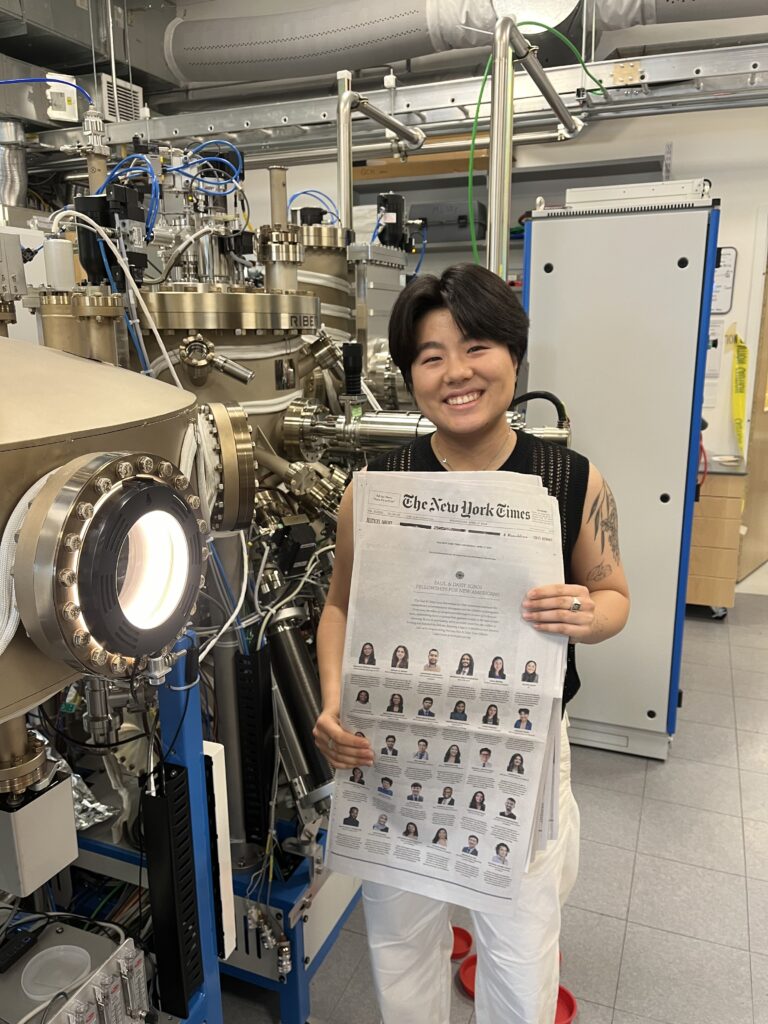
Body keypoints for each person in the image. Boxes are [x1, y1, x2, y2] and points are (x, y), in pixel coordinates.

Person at [315, 264, 629, 1024]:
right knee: (400, 945)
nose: (456, 372)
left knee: (520, 951)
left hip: (518, 753)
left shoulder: (568, 477)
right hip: (393, 753)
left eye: (476, 346)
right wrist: (332, 705)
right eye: (430, 356)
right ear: (411, 375)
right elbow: (338, 606)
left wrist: (587, 610)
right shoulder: (377, 487)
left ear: (513, 356)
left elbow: (617, 596)